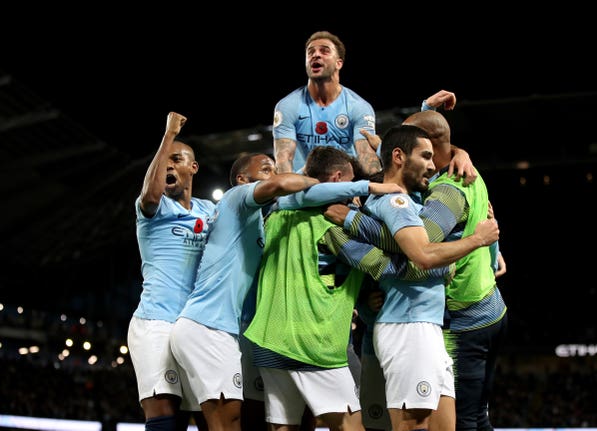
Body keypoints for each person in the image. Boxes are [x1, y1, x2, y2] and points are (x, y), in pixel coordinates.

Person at [244, 145, 453, 431]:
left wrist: (365, 296)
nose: (355, 194)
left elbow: (322, 271)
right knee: (351, 426)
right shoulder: (332, 225)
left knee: (284, 426)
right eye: (351, 181)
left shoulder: (275, 214)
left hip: (266, 338)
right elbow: (385, 266)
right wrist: (443, 265)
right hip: (310, 342)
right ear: (337, 178)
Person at [323, 124, 500, 431]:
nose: (433, 165)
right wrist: (476, 241)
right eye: (426, 156)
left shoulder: (409, 199)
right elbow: (422, 256)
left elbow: (407, 141)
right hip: (408, 327)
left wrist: (458, 151)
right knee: (411, 424)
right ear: (399, 158)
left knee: (445, 425)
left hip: (425, 325)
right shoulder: (397, 203)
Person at [169, 153, 319, 431]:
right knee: (228, 421)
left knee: (228, 421)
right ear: (242, 179)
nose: (272, 174)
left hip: (226, 329)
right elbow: (279, 185)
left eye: (274, 169)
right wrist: (321, 182)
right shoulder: (236, 198)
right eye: (265, 169)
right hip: (209, 327)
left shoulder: (256, 222)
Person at [404, 110, 509, 431]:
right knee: (479, 415)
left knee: (461, 421)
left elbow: (420, 249)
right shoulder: (467, 169)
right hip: (491, 309)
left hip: (463, 325)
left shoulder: (446, 193)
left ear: (429, 146)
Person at [127, 111, 210, 431]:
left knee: (207, 413)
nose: (170, 165)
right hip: (156, 323)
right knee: (166, 417)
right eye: (166, 161)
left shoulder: (209, 211)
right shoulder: (154, 208)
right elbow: (150, 193)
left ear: (194, 167)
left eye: (178, 159)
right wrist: (168, 137)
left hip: (195, 327)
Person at [272, 30, 381, 176]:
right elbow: (283, 159)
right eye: (310, 52)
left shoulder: (359, 107)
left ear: (339, 63)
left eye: (324, 51)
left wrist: (376, 188)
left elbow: (366, 156)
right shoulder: (288, 106)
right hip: (303, 188)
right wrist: (287, 193)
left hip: (344, 187)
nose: (316, 55)